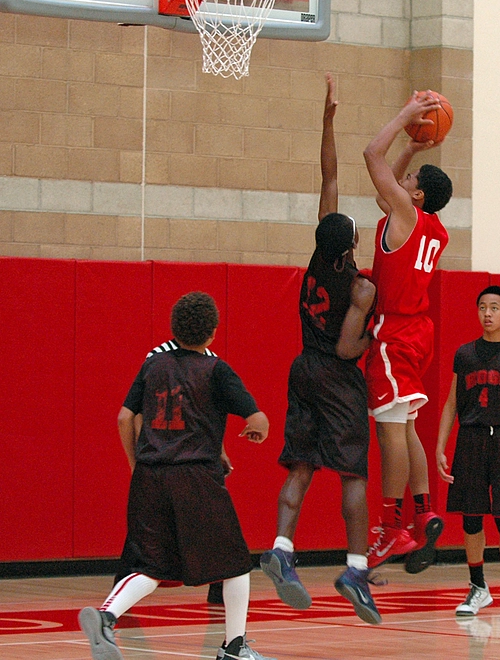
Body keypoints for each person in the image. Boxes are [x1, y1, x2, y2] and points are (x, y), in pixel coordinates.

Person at [78, 291, 275, 660]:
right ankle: (235, 648)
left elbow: (124, 418)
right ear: (213, 332)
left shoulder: (153, 365)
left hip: (149, 477)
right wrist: (256, 430)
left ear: (174, 329)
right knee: (236, 565)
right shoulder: (217, 369)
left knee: (150, 567)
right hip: (196, 478)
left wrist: (137, 465)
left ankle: (105, 617)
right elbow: (259, 420)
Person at [259, 74, 381, 625]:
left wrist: (327, 121)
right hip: (335, 374)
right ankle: (355, 569)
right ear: (352, 242)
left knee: (302, 464)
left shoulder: (316, 256)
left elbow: (329, 176)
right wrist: (377, 332)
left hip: (302, 368)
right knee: (353, 474)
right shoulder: (359, 287)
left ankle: (281, 549)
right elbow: (350, 347)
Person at [362, 91, 453, 573]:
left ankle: (390, 526)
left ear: (416, 196)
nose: (405, 179)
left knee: (389, 432)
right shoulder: (434, 228)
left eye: (412, 179)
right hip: (420, 332)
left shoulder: (405, 216)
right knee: (407, 426)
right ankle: (424, 512)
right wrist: (414, 149)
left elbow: (371, 156)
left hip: (394, 334)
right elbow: (389, 189)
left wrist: (403, 119)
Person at [435, 285, 500, 622]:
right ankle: (478, 587)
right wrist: (439, 446)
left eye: (494, 307)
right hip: (471, 438)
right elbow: (452, 403)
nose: (487, 313)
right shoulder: (464, 354)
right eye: (482, 307)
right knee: (471, 517)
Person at [112, 339, 227, 607]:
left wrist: (219, 450)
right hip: (169, 455)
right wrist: (138, 460)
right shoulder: (157, 357)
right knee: (197, 518)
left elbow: (207, 414)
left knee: (199, 518)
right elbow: (138, 413)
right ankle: (123, 583)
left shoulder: (210, 360)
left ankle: (219, 586)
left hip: (187, 456)